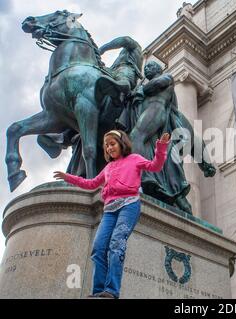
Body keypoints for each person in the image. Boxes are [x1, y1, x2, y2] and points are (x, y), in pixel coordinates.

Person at [54, 129, 170, 298]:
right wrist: (69, 177)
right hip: (109, 210)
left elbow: (155, 166)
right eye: (106, 146)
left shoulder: (134, 159)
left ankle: (111, 290)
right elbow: (91, 183)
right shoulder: (108, 167)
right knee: (98, 248)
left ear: (122, 143)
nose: (109, 148)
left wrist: (161, 147)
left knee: (116, 245)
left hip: (129, 205)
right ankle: (99, 291)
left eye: (112, 144)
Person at [118, 61, 215, 214]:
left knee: (135, 137)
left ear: (158, 69)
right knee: (146, 144)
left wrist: (139, 89)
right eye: (145, 68)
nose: (146, 69)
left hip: (157, 110)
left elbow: (151, 87)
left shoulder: (167, 78)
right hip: (150, 114)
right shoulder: (147, 86)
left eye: (150, 66)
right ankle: (156, 181)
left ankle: (145, 176)